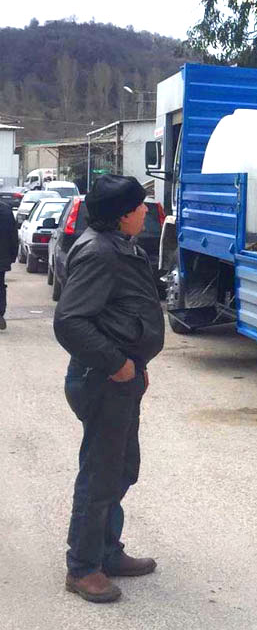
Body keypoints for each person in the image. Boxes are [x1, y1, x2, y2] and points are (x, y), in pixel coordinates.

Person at [53, 175, 165, 604]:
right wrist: (117, 364)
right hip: (101, 378)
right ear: (122, 215)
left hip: (121, 377)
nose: (145, 211)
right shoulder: (99, 253)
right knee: (100, 474)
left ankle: (106, 550)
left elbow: (121, 313)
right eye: (139, 207)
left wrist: (137, 364)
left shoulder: (119, 246)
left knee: (121, 468)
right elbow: (70, 321)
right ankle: (83, 568)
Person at [0, 196, 18, 330]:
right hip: (2, 256)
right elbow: (13, 235)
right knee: (0, 285)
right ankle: (0, 313)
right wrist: (13, 254)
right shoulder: (6, 210)